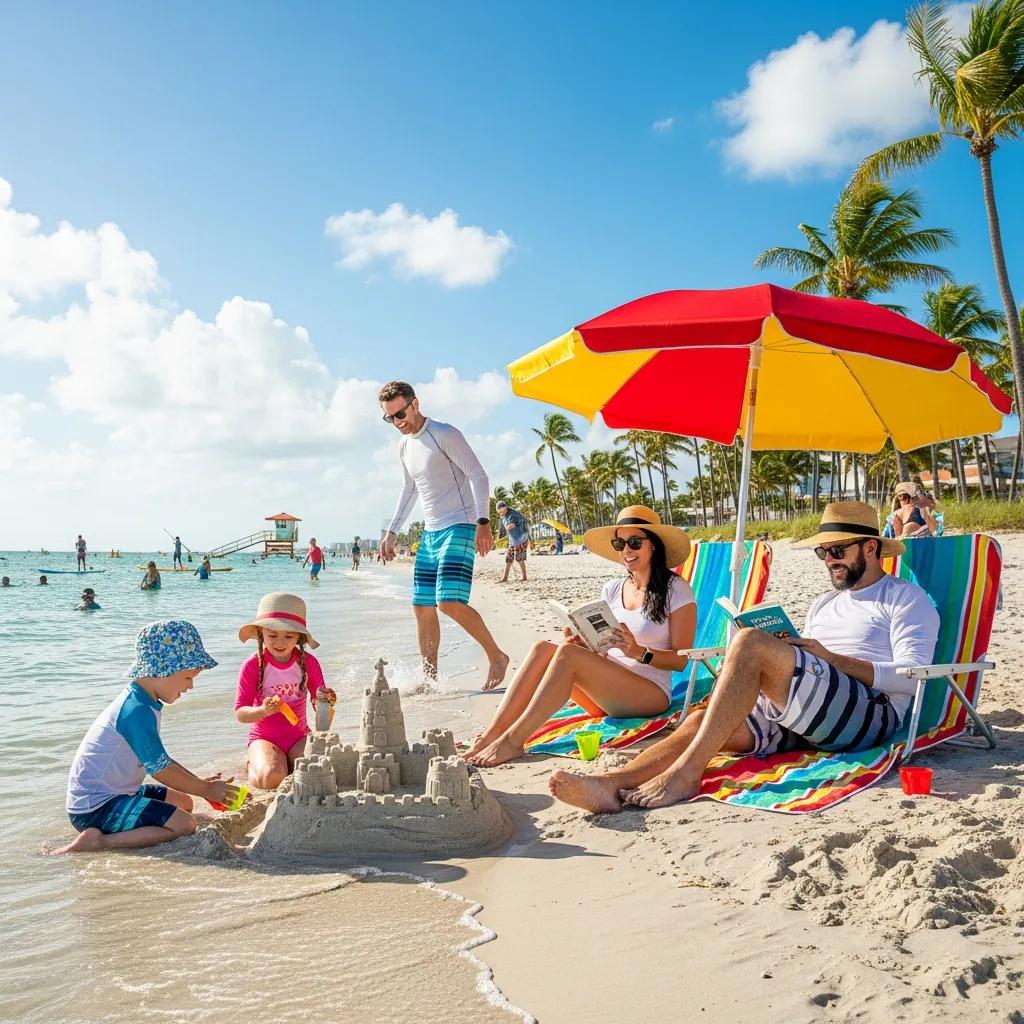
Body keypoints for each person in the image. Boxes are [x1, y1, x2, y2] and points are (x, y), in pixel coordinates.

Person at [548, 501, 940, 813]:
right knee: (703, 720)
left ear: (871, 547)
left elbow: (912, 676)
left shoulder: (904, 597)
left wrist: (830, 659)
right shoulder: (824, 603)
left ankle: (686, 775)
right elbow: (809, 668)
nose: (829, 561)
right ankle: (610, 786)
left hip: (869, 714)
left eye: (837, 551)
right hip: (807, 712)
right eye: (823, 552)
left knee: (751, 642)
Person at [465, 506, 697, 767]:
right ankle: (492, 734)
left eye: (634, 542)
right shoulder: (613, 589)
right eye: (620, 543)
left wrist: (639, 652)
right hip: (607, 692)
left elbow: (681, 661)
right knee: (545, 648)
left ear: (653, 545)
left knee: (568, 656)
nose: (627, 550)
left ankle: (513, 741)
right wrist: (582, 639)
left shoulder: (676, 589)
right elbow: (601, 649)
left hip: (649, 693)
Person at [54, 620, 238, 853]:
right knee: (185, 824)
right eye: (188, 677)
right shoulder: (136, 712)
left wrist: (200, 785)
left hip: (118, 791)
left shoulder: (142, 700)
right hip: (95, 808)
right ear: (164, 670)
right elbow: (160, 770)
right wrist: (205, 789)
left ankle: (130, 823)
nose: (190, 686)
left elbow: (162, 761)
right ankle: (99, 841)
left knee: (185, 802)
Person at [377, 380, 509, 689]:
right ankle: (429, 678)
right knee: (422, 605)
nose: (397, 423)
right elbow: (409, 490)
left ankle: (496, 656)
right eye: (389, 418)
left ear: (415, 404)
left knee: (448, 601)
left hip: (460, 524)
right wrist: (392, 531)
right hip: (431, 532)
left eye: (400, 415)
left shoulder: (444, 434)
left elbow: (478, 474)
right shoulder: (404, 446)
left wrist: (483, 522)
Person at [234, 593, 335, 789]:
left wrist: (327, 703)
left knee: (317, 772)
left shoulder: (309, 663)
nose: (280, 643)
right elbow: (240, 713)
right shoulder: (253, 665)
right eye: (272, 635)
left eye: (288, 636)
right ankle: (254, 762)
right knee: (271, 777)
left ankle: (285, 762)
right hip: (264, 737)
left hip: (299, 736)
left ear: (299, 637)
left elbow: (322, 717)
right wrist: (263, 710)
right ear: (261, 633)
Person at [496, 500, 529, 583]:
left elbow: (512, 525)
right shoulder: (504, 517)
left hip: (521, 538)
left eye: (502, 510)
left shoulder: (512, 514)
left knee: (519, 558)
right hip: (513, 540)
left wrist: (508, 528)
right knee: (509, 558)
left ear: (506, 508)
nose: (501, 512)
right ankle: (505, 578)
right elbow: (507, 530)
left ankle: (524, 577)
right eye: (499, 511)